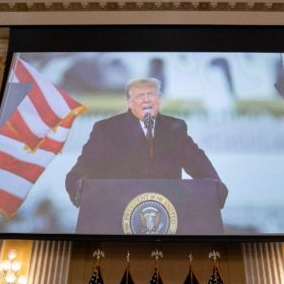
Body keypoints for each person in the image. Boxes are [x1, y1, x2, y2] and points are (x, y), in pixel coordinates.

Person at [65, 77, 227, 207]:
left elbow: (198, 162)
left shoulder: (175, 129)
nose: (146, 100)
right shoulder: (106, 129)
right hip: (117, 215)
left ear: (159, 99)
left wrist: (216, 185)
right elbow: (80, 171)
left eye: (151, 94)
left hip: (166, 216)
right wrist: (78, 186)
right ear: (129, 102)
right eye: (140, 96)